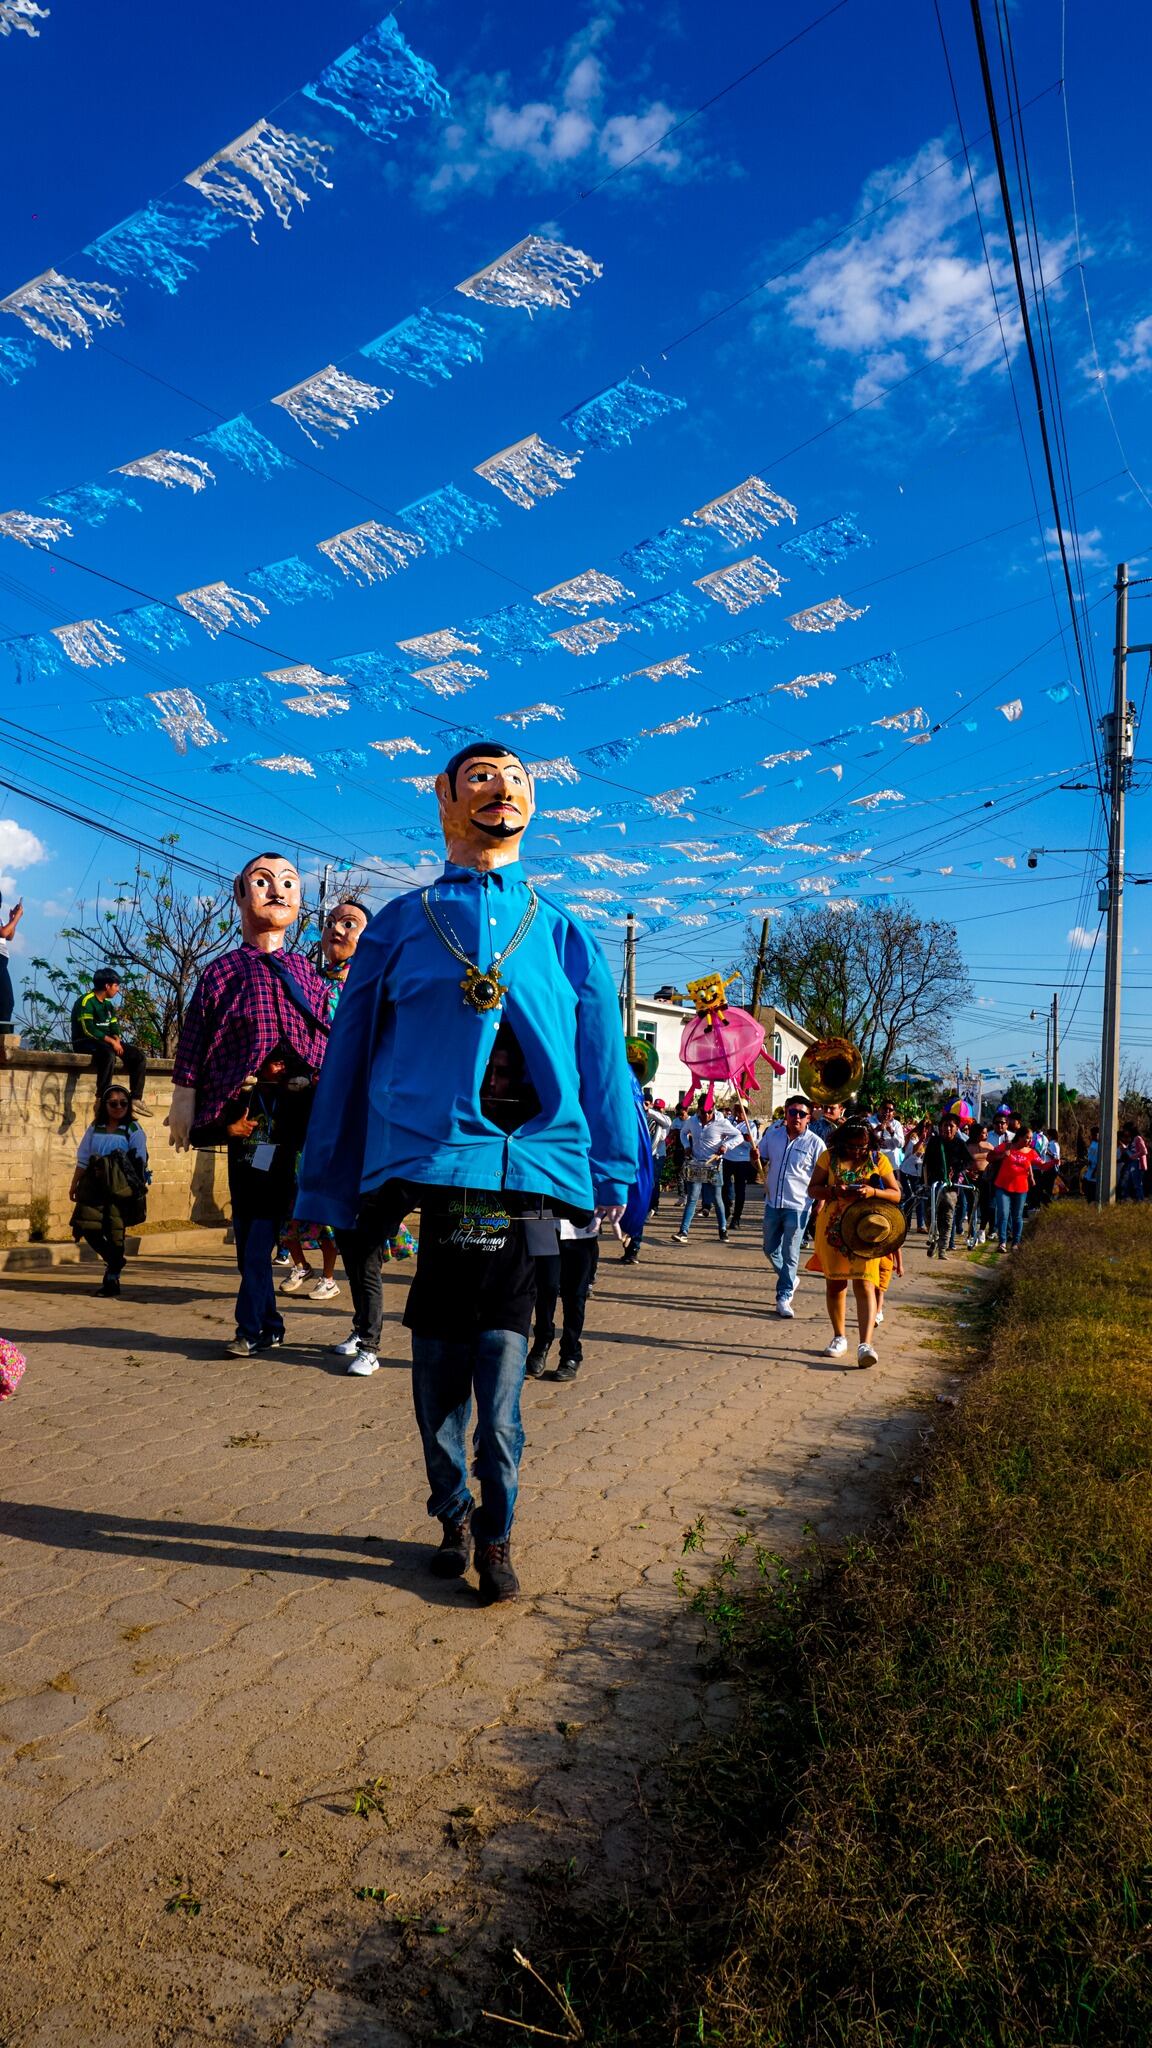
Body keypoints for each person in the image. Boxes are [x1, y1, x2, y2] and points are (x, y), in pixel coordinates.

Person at [294, 741, 635, 1605]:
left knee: (504, 1385)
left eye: (519, 777)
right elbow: (348, 1058)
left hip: (529, 1184)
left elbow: (603, 1064)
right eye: (482, 777)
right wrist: (328, 1185)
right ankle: (448, 1508)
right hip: (437, 1180)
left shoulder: (562, 929)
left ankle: (498, 1530)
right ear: (443, 796)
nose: (502, 789)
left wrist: (616, 1172)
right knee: (440, 1378)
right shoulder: (403, 925)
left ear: (538, 801)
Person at [168, 852, 331, 1349]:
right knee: (252, 1222)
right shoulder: (221, 974)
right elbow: (195, 1037)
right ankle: (261, 1326)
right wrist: (184, 1094)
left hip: (307, 1113)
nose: (277, 891)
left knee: (265, 1224)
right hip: (251, 1117)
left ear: (300, 901)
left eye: (288, 883)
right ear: (240, 895)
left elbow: (332, 1035)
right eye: (263, 882)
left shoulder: (307, 973)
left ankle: (260, 1326)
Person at [805, 1118, 902, 1367]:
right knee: (835, 1285)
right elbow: (813, 1189)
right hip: (833, 1229)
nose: (857, 1151)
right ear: (841, 1141)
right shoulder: (829, 1157)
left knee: (865, 1284)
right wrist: (835, 1191)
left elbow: (896, 1193)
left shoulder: (878, 1160)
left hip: (866, 1230)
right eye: (852, 1146)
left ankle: (865, 1344)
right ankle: (839, 1337)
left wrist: (872, 1192)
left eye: (862, 1146)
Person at [69, 1083, 149, 1296]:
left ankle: (112, 1280)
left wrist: (136, 1190)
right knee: (88, 1228)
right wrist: (74, 1183)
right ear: (104, 1105)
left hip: (118, 1190)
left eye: (123, 1103)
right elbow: (83, 1158)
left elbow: (140, 1160)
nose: (118, 1107)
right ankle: (115, 1260)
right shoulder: (95, 1128)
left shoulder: (132, 1129)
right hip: (93, 1188)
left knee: (115, 1234)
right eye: (113, 1103)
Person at [758, 1094, 823, 1318]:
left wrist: (820, 1201)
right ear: (785, 1113)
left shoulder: (816, 1143)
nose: (796, 1117)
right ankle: (791, 1278)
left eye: (802, 1114)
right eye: (792, 1112)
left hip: (799, 1205)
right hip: (772, 1201)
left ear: (808, 1118)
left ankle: (784, 1295)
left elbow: (823, 1175)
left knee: (790, 1252)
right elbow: (760, 1158)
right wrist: (753, 1155)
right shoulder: (772, 1135)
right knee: (769, 1248)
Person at [527, 1214, 600, 1380]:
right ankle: (541, 1344)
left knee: (575, 1296)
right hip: (546, 1224)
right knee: (546, 1288)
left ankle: (571, 1353)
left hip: (581, 1229)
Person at [70, 967, 148, 1107]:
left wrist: (116, 1038)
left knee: (139, 1056)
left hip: (107, 1042)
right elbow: (88, 1030)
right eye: (116, 985)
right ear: (107, 986)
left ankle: (136, 1098)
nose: (117, 989)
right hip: (85, 1041)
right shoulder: (86, 1002)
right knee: (108, 1055)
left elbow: (114, 1025)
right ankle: (102, 1097)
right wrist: (111, 1042)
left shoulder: (108, 1005)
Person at [674, 1099, 742, 1244]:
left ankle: (723, 1229)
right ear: (698, 1109)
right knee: (692, 1198)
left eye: (709, 1112)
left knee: (717, 1199)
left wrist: (726, 1146)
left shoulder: (722, 1122)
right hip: (696, 1163)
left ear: (714, 1109)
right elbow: (683, 1133)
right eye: (703, 1112)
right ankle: (683, 1231)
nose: (706, 1115)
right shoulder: (692, 1121)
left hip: (714, 1164)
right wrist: (686, 1145)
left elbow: (739, 1136)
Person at [922, 1112, 974, 1260]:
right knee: (929, 1214)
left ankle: (943, 1249)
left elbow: (968, 1161)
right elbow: (926, 1163)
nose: (948, 1129)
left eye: (951, 1126)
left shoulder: (959, 1143)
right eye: (945, 1126)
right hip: (933, 1186)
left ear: (957, 1128)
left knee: (947, 1218)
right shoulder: (934, 1142)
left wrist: (958, 1169)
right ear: (940, 1127)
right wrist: (924, 1183)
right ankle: (934, 1239)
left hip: (951, 1189)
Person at [992, 1125, 1043, 1250]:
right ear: (1019, 1137)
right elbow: (990, 1157)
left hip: (1021, 1188)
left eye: (1031, 1139)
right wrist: (1002, 1155)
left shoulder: (1031, 1152)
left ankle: (1016, 1243)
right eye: (1027, 1138)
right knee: (1003, 1214)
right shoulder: (1007, 1146)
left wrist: (1054, 1162)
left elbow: (1042, 1165)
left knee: (1017, 1216)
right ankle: (1002, 1242)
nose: (1029, 1141)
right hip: (1003, 1186)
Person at [721, 1106, 760, 1229]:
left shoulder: (751, 1125)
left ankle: (736, 1218)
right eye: (736, 1111)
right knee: (724, 1187)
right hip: (728, 1158)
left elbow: (751, 1144)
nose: (737, 1114)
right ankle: (726, 1209)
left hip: (742, 1160)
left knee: (740, 1190)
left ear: (745, 1114)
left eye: (740, 1112)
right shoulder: (729, 1122)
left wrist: (744, 1138)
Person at [0, 892, 22, 1036]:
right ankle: (3, 1036)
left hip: (2, 959)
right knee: (7, 1001)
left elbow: (10, 936)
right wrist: (17, 917)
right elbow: (3, 933)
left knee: (5, 1000)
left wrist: (12, 919)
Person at [1082, 1125, 1099, 1203]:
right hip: (1089, 1171)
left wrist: (1094, 1171)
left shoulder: (1098, 1146)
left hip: (1094, 1173)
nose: (1092, 1136)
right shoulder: (1093, 1144)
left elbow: (1098, 1160)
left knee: (1092, 1194)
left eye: (1093, 1134)